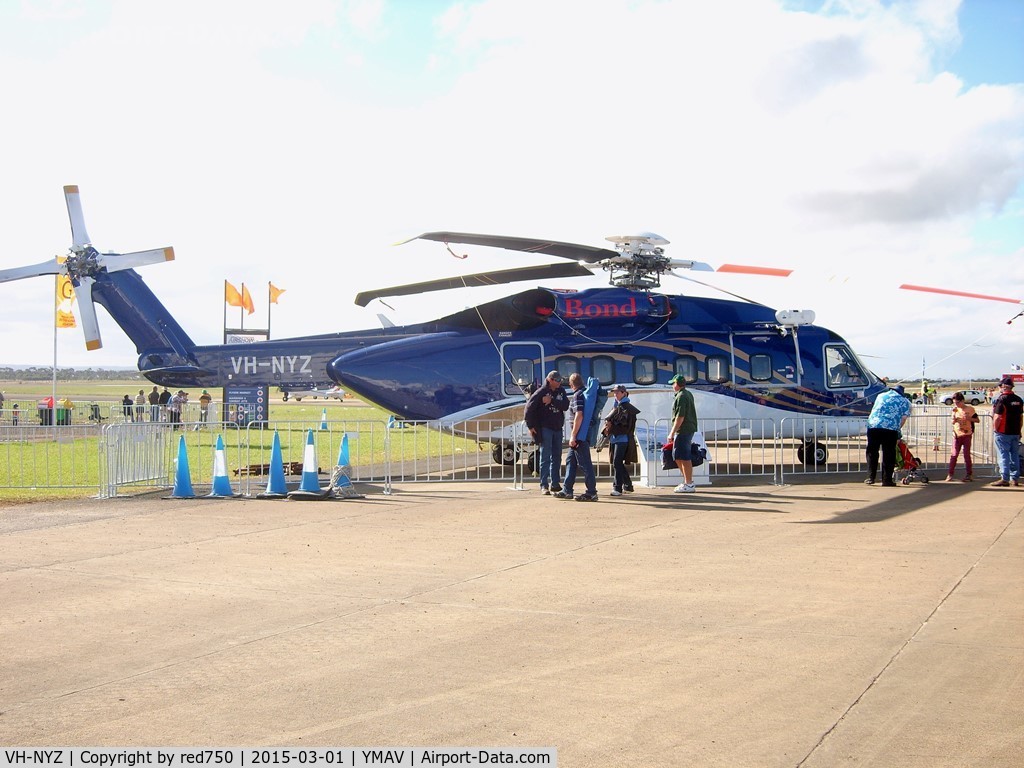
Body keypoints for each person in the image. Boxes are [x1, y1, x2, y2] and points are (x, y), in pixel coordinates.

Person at [524, 370, 569, 495]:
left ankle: (555, 483)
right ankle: (544, 484)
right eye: (557, 380)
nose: (560, 382)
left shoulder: (561, 391)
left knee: (557, 456)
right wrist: (530, 425)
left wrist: (552, 400)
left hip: (557, 428)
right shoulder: (541, 392)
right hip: (545, 428)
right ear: (550, 380)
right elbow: (529, 409)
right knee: (545, 456)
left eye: (560, 380)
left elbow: (565, 405)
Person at [554, 372, 598, 501]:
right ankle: (567, 489)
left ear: (571, 384)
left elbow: (579, 415)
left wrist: (573, 436)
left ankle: (592, 492)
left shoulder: (578, 395)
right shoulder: (584, 393)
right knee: (570, 462)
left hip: (579, 436)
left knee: (585, 464)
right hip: (581, 434)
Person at [864, 385, 911, 486]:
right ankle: (886, 480)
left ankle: (870, 477)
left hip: (873, 426)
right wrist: (898, 432)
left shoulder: (881, 396)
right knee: (888, 454)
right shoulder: (904, 401)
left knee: (872, 452)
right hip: (890, 428)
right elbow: (903, 419)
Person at [603, 384, 640, 496]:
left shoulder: (626, 407)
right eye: (614, 392)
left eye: (618, 392)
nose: (615, 394)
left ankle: (617, 488)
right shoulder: (618, 405)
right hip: (616, 438)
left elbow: (624, 426)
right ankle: (627, 485)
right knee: (617, 463)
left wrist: (610, 425)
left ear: (624, 393)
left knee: (617, 462)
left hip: (622, 439)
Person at [990, 376, 1023, 487]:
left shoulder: (1002, 399)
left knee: (1003, 455)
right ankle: (1014, 478)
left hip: (1003, 432)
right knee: (1014, 455)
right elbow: (1020, 417)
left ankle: (1004, 478)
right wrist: (1019, 430)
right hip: (1015, 431)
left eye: (1000, 386)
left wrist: (995, 429)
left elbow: (998, 417)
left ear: (1004, 387)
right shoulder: (1019, 400)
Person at [669, 373, 698, 493]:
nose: (672, 386)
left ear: (677, 384)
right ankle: (687, 481)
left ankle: (689, 483)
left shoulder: (681, 396)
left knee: (684, 456)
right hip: (686, 429)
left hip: (683, 430)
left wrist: (672, 433)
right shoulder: (687, 394)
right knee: (678, 456)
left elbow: (680, 417)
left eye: (673, 384)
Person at [946, 392, 979, 482]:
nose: (956, 404)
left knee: (966, 455)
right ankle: (950, 474)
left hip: (967, 434)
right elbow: (952, 421)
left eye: (958, 402)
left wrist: (969, 419)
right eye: (955, 403)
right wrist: (954, 420)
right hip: (957, 434)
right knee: (954, 454)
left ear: (962, 401)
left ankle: (969, 474)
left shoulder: (970, 409)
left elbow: (977, 420)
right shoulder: (955, 410)